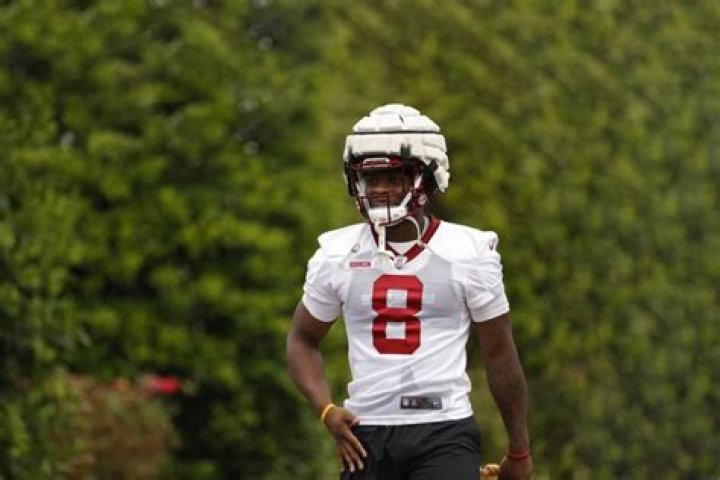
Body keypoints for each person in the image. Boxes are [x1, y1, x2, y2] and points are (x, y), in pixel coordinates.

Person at [286, 104, 533, 480]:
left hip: (443, 430)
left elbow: (500, 354)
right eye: (371, 178)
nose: (379, 189)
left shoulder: (469, 252)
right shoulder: (336, 254)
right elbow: (302, 340)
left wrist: (519, 450)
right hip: (365, 434)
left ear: (428, 177)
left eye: (394, 177)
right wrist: (326, 409)